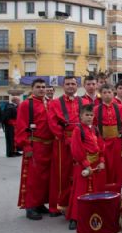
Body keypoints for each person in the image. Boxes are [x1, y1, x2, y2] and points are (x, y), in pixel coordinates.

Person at [15, 79, 54, 219]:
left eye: (43, 87)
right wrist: (26, 145)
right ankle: (30, 206)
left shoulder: (49, 103)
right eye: (38, 87)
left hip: (50, 145)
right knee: (33, 177)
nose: (41, 89)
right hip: (35, 145)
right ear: (32, 88)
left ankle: (40, 204)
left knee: (46, 178)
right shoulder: (26, 105)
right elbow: (20, 126)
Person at [66, 104, 106, 230]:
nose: (89, 117)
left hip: (95, 164)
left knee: (95, 190)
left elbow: (101, 146)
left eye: (91, 115)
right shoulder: (78, 130)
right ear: (80, 116)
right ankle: (75, 218)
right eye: (86, 115)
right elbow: (76, 149)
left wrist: (101, 160)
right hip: (83, 165)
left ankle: (92, 215)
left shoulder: (95, 129)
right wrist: (86, 165)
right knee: (80, 191)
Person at [47, 76, 83, 215]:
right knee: (61, 173)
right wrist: (64, 137)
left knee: (79, 173)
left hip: (80, 141)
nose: (70, 86)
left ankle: (75, 203)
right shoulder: (55, 103)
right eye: (68, 84)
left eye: (73, 84)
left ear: (77, 86)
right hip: (63, 143)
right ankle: (57, 205)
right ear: (63, 86)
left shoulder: (83, 101)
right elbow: (52, 123)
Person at [94, 85, 122, 186]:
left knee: (118, 166)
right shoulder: (96, 109)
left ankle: (118, 188)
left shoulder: (121, 108)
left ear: (113, 93)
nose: (107, 95)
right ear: (100, 94)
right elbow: (94, 126)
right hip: (102, 141)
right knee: (105, 165)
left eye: (109, 92)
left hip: (117, 141)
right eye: (104, 92)